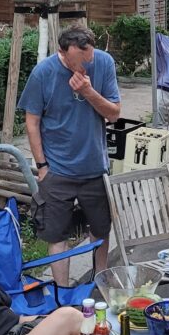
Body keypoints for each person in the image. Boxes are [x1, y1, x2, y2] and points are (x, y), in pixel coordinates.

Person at [18, 26, 121, 283]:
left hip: (95, 166)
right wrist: (42, 166)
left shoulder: (103, 62)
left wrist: (88, 90)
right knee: (56, 236)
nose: (86, 66)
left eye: (89, 58)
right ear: (63, 53)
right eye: (79, 62)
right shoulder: (44, 73)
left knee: (100, 230)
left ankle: (101, 281)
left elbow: (114, 113)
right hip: (58, 169)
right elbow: (32, 122)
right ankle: (62, 293)